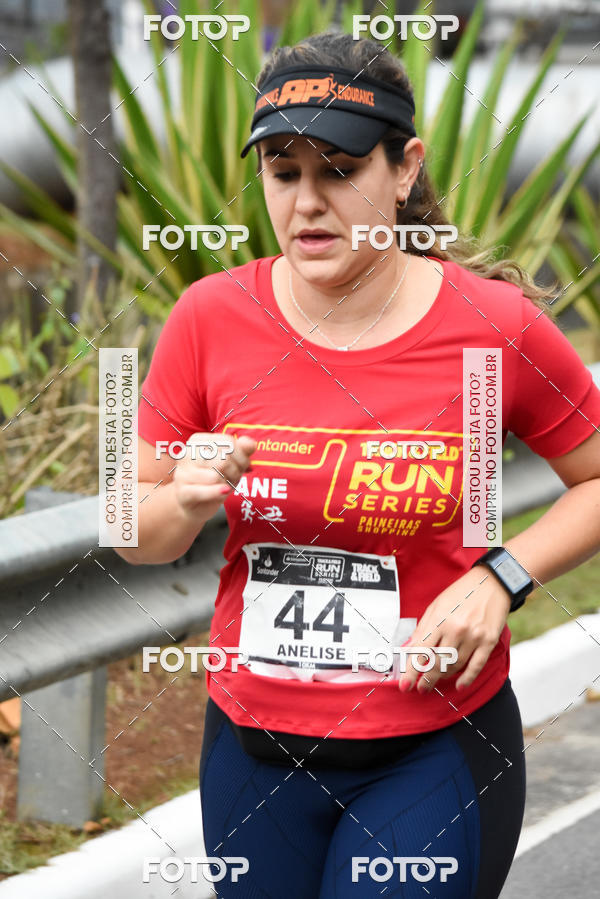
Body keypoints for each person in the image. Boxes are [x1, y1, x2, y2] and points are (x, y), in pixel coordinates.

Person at [117, 30, 600, 898]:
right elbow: (128, 532)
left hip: (431, 745)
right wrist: (184, 500)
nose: (307, 203)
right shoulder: (208, 317)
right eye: (283, 172)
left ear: (404, 167)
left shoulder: (493, 328)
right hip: (253, 750)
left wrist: (501, 576)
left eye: (339, 170)